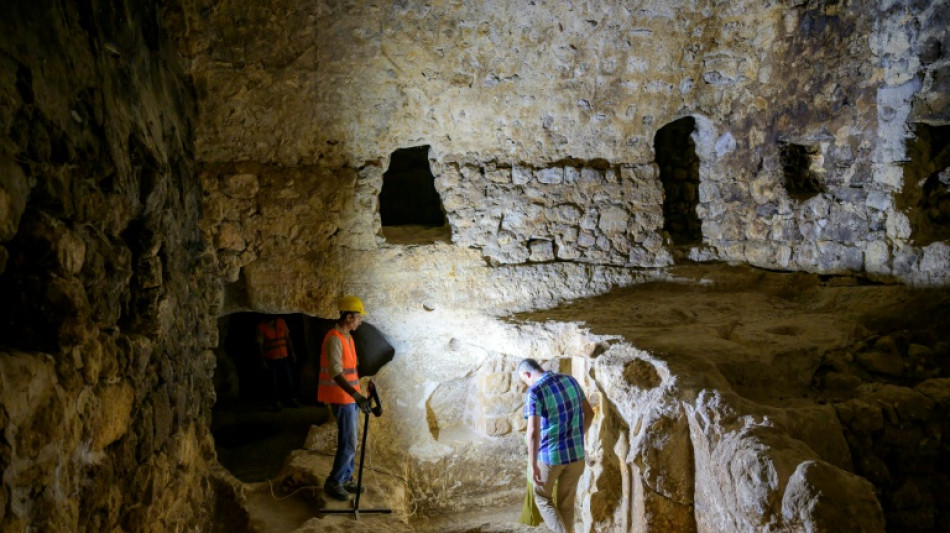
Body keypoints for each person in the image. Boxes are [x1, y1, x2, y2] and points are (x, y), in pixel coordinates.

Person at [518, 358, 594, 533]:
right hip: (576, 456)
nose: (527, 383)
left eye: (525, 380)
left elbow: (533, 432)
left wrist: (532, 464)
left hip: (551, 457)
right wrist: (577, 436)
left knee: (542, 498)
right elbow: (589, 414)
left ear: (527, 374)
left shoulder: (535, 392)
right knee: (566, 506)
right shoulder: (570, 380)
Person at [319, 295, 373, 501]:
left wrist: (361, 391)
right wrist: (356, 395)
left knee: (351, 440)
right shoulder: (334, 338)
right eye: (359, 317)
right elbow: (335, 372)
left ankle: (347, 477)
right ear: (349, 317)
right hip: (342, 398)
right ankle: (334, 481)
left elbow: (351, 370)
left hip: (350, 398)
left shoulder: (348, 337)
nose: (360, 321)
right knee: (348, 442)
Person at [256, 316, 298, 411]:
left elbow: (287, 338)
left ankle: (292, 399)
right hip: (271, 358)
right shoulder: (261, 327)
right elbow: (260, 345)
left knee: (288, 378)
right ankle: (275, 401)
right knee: (273, 381)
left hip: (284, 356)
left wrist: (292, 352)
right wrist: (262, 361)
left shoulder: (281, 322)